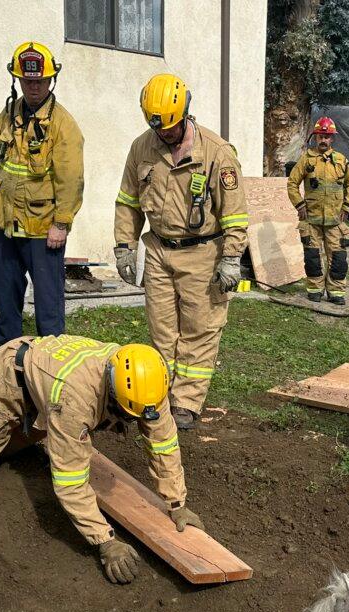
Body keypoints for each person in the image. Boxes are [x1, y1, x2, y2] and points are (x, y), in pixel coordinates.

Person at [0, 337, 198, 584]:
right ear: (111, 387)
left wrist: (177, 503)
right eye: (128, 415)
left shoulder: (146, 381)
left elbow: (164, 444)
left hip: (41, 388)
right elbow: (70, 480)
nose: (134, 422)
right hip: (7, 381)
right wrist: (105, 541)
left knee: (13, 446)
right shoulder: (74, 398)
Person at [113, 73, 248, 430]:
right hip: (158, 249)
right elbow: (128, 202)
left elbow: (235, 214)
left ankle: (186, 402)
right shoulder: (142, 147)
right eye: (159, 128)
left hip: (203, 252)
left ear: (185, 112)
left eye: (171, 128)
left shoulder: (217, 153)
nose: (165, 134)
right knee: (161, 331)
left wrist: (232, 258)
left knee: (199, 330)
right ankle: (160, 393)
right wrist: (125, 246)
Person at [0, 41, 85, 346]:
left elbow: (71, 179)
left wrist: (62, 223)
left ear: (51, 80)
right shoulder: (10, 112)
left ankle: (51, 360)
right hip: (8, 226)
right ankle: (6, 355)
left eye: (40, 81)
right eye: (28, 81)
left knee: (48, 307)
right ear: (18, 80)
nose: (34, 87)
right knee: (6, 296)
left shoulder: (63, 125)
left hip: (43, 230)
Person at [287, 117, 349, 305]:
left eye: (327, 137)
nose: (323, 140)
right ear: (315, 137)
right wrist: (299, 205)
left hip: (335, 221)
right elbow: (292, 183)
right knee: (312, 258)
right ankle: (315, 290)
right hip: (312, 221)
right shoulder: (306, 160)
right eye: (320, 136)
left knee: (339, 259)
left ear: (332, 139)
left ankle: (336, 292)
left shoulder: (341, 161)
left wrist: (347, 206)